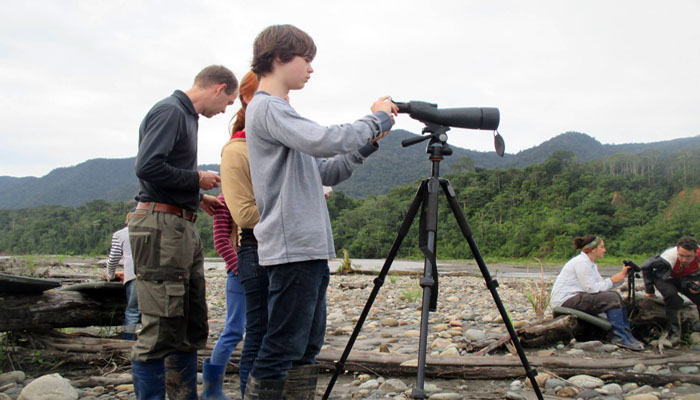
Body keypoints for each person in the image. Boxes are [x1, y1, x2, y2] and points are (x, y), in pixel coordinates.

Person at [243, 24, 398, 398]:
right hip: (292, 246)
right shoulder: (267, 107)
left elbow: (326, 170)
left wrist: (368, 144)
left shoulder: (281, 113)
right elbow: (326, 140)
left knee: (306, 347)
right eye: (306, 59)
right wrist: (375, 118)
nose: (311, 69)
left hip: (307, 248)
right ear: (280, 58)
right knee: (282, 347)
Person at [129, 65, 238, 400]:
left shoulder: (187, 117)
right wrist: (196, 178)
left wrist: (197, 197)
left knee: (190, 324)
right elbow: (147, 167)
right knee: (160, 327)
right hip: (161, 227)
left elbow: (163, 171)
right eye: (228, 102)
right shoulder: (171, 111)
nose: (225, 111)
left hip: (181, 223)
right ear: (219, 88)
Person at [219, 70, 263, 398]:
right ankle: (216, 383)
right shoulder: (236, 152)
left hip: (272, 256)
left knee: (267, 333)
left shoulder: (274, 145)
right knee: (243, 332)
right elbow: (228, 233)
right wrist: (237, 269)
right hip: (249, 260)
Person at [550, 235, 644, 350]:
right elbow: (591, 289)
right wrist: (612, 280)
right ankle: (619, 336)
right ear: (593, 249)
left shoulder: (591, 264)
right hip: (565, 300)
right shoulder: (581, 263)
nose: (605, 250)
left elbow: (602, 287)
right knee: (612, 298)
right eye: (602, 247)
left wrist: (620, 277)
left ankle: (627, 335)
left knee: (614, 297)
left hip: (576, 297)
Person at [202, 192, 246, 400]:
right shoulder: (223, 200)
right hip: (239, 274)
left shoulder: (257, 194)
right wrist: (240, 270)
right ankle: (212, 390)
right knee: (234, 330)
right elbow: (221, 242)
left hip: (265, 270)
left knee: (262, 331)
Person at [641, 236, 700, 345]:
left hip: (685, 278)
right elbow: (645, 267)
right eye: (681, 255)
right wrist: (649, 291)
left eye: (688, 256)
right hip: (664, 278)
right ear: (677, 251)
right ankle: (674, 333)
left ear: (695, 253)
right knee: (672, 296)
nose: (684, 259)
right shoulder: (668, 258)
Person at [106, 212, 139, 340]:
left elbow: (113, 259)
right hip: (153, 275)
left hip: (134, 276)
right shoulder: (154, 232)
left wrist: (110, 275)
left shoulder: (120, 234)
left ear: (127, 220)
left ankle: (127, 342)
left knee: (132, 312)